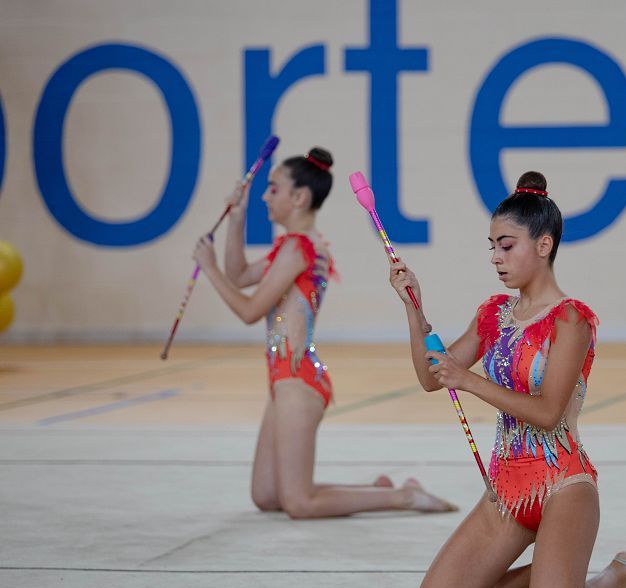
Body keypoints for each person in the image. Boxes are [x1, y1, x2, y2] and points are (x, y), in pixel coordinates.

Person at [388, 171, 626, 588]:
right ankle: (551, 575)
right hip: (507, 492)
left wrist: (469, 381)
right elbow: (433, 377)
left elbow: (550, 412)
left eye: (506, 245)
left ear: (543, 244)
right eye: (491, 245)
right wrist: (414, 310)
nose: (495, 257)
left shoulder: (571, 319)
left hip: (563, 487)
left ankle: (617, 575)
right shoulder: (493, 313)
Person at [192, 146, 456, 518]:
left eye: (273, 188)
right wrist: (235, 220)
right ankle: (378, 490)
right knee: (267, 496)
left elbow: (250, 311)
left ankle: (403, 498)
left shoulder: (300, 248)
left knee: (299, 504)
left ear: (299, 197)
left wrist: (208, 267)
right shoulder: (289, 247)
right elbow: (239, 276)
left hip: (298, 381)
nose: (265, 196)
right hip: (282, 379)